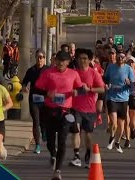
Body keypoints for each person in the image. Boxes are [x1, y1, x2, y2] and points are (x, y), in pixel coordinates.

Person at [35, 50, 84, 180]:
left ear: (68, 62)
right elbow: (37, 88)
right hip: (50, 110)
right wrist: (47, 94)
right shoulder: (48, 73)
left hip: (65, 111)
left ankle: (57, 171)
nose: (61, 62)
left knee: (62, 140)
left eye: (63, 60)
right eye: (58, 60)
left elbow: (80, 88)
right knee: (50, 141)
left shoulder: (73, 74)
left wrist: (76, 92)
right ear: (55, 61)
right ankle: (53, 154)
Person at [69, 48, 105, 168]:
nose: (82, 60)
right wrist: (72, 91)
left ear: (89, 60)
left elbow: (102, 89)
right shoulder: (73, 73)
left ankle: (88, 154)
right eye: (80, 58)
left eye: (85, 58)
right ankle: (76, 156)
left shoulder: (94, 73)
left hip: (89, 109)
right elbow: (67, 87)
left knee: (88, 134)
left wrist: (90, 89)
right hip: (75, 107)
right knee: (76, 130)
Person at [105, 51, 135, 152]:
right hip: (112, 97)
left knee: (121, 123)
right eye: (118, 57)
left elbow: (133, 86)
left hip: (123, 99)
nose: (120, 58)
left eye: (122, 57)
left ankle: (117, 142)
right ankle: (112, 137)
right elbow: (105, 79)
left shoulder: (128, 69)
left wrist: (129, 83)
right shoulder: (110, 67)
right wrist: (106, 84)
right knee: (114, 123)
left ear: (125, 59)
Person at [22, 49, 48, 154]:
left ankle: (44, 131)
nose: (39, 59)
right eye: (37, 57)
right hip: (34, 99)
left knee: (43, 121)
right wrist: (25, 88)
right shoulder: (31, 70)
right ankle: (37, 145)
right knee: (36, 122)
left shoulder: (48, 70)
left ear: (44, 59)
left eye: (41, 57)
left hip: (45, 99)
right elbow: (24, 83)